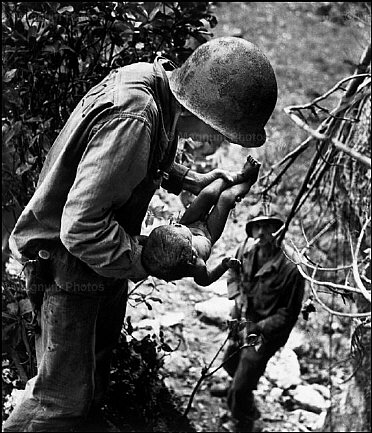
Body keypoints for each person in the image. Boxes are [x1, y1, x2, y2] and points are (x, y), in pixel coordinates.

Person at [4, 36, 277, 432]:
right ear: (207, 115)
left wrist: (188, 178)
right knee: (59, 402)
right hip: (68, 266)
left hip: (99, 264)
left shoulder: (155, 87)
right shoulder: (134, 117)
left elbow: (133, 159)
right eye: (224, 133)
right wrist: (147, 257)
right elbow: (81, 228)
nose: (221, 141)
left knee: (89, 386)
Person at [210, 202, 305, 432]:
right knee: (230, 358)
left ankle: (243, 417)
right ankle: (238, 385)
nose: (261, 233)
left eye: (268, 227)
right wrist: (237, 296)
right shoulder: (245, 249)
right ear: (250, 230)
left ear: (278, 229)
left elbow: (288, 314)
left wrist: (257, 329)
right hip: (243, 314)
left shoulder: (291, 267)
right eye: (256, 227)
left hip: (266, 330)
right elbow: (233, 272)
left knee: (245, 375)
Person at [141, 155, 261, 286]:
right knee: (226, 198)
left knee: (209, 192)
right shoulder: (197, 266)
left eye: (175, 226)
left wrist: (138, 239)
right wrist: (223, 265)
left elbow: (143, 241)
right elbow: (205, 281)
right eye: (179, 228)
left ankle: (240, 175)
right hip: (208, 233)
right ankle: (248, 181)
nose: (176, 224)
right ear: (192, 257)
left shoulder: (159, 246)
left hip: (190, 222)